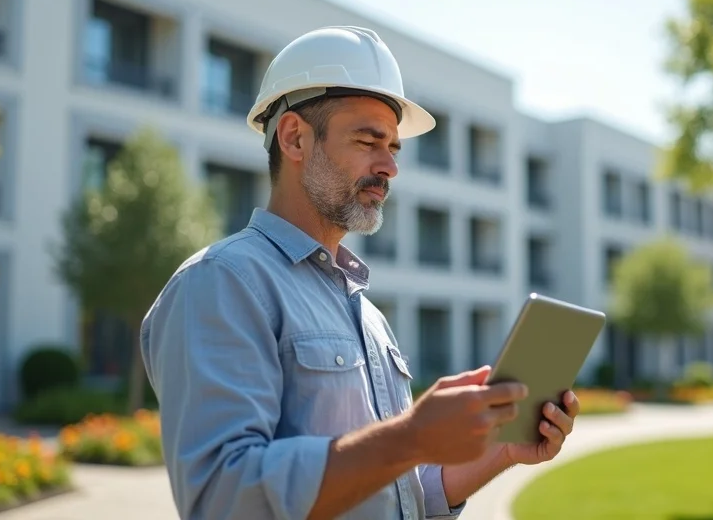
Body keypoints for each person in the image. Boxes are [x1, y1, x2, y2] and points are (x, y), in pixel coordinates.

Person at [140, 25, 580, 520]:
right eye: (369, 140)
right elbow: (224, 497)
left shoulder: (366, 314)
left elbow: (395, 493)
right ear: (294, 137)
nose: (389, 166)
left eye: (393, 147)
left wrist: (498, 451)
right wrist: (410, 437)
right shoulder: (220, 283)